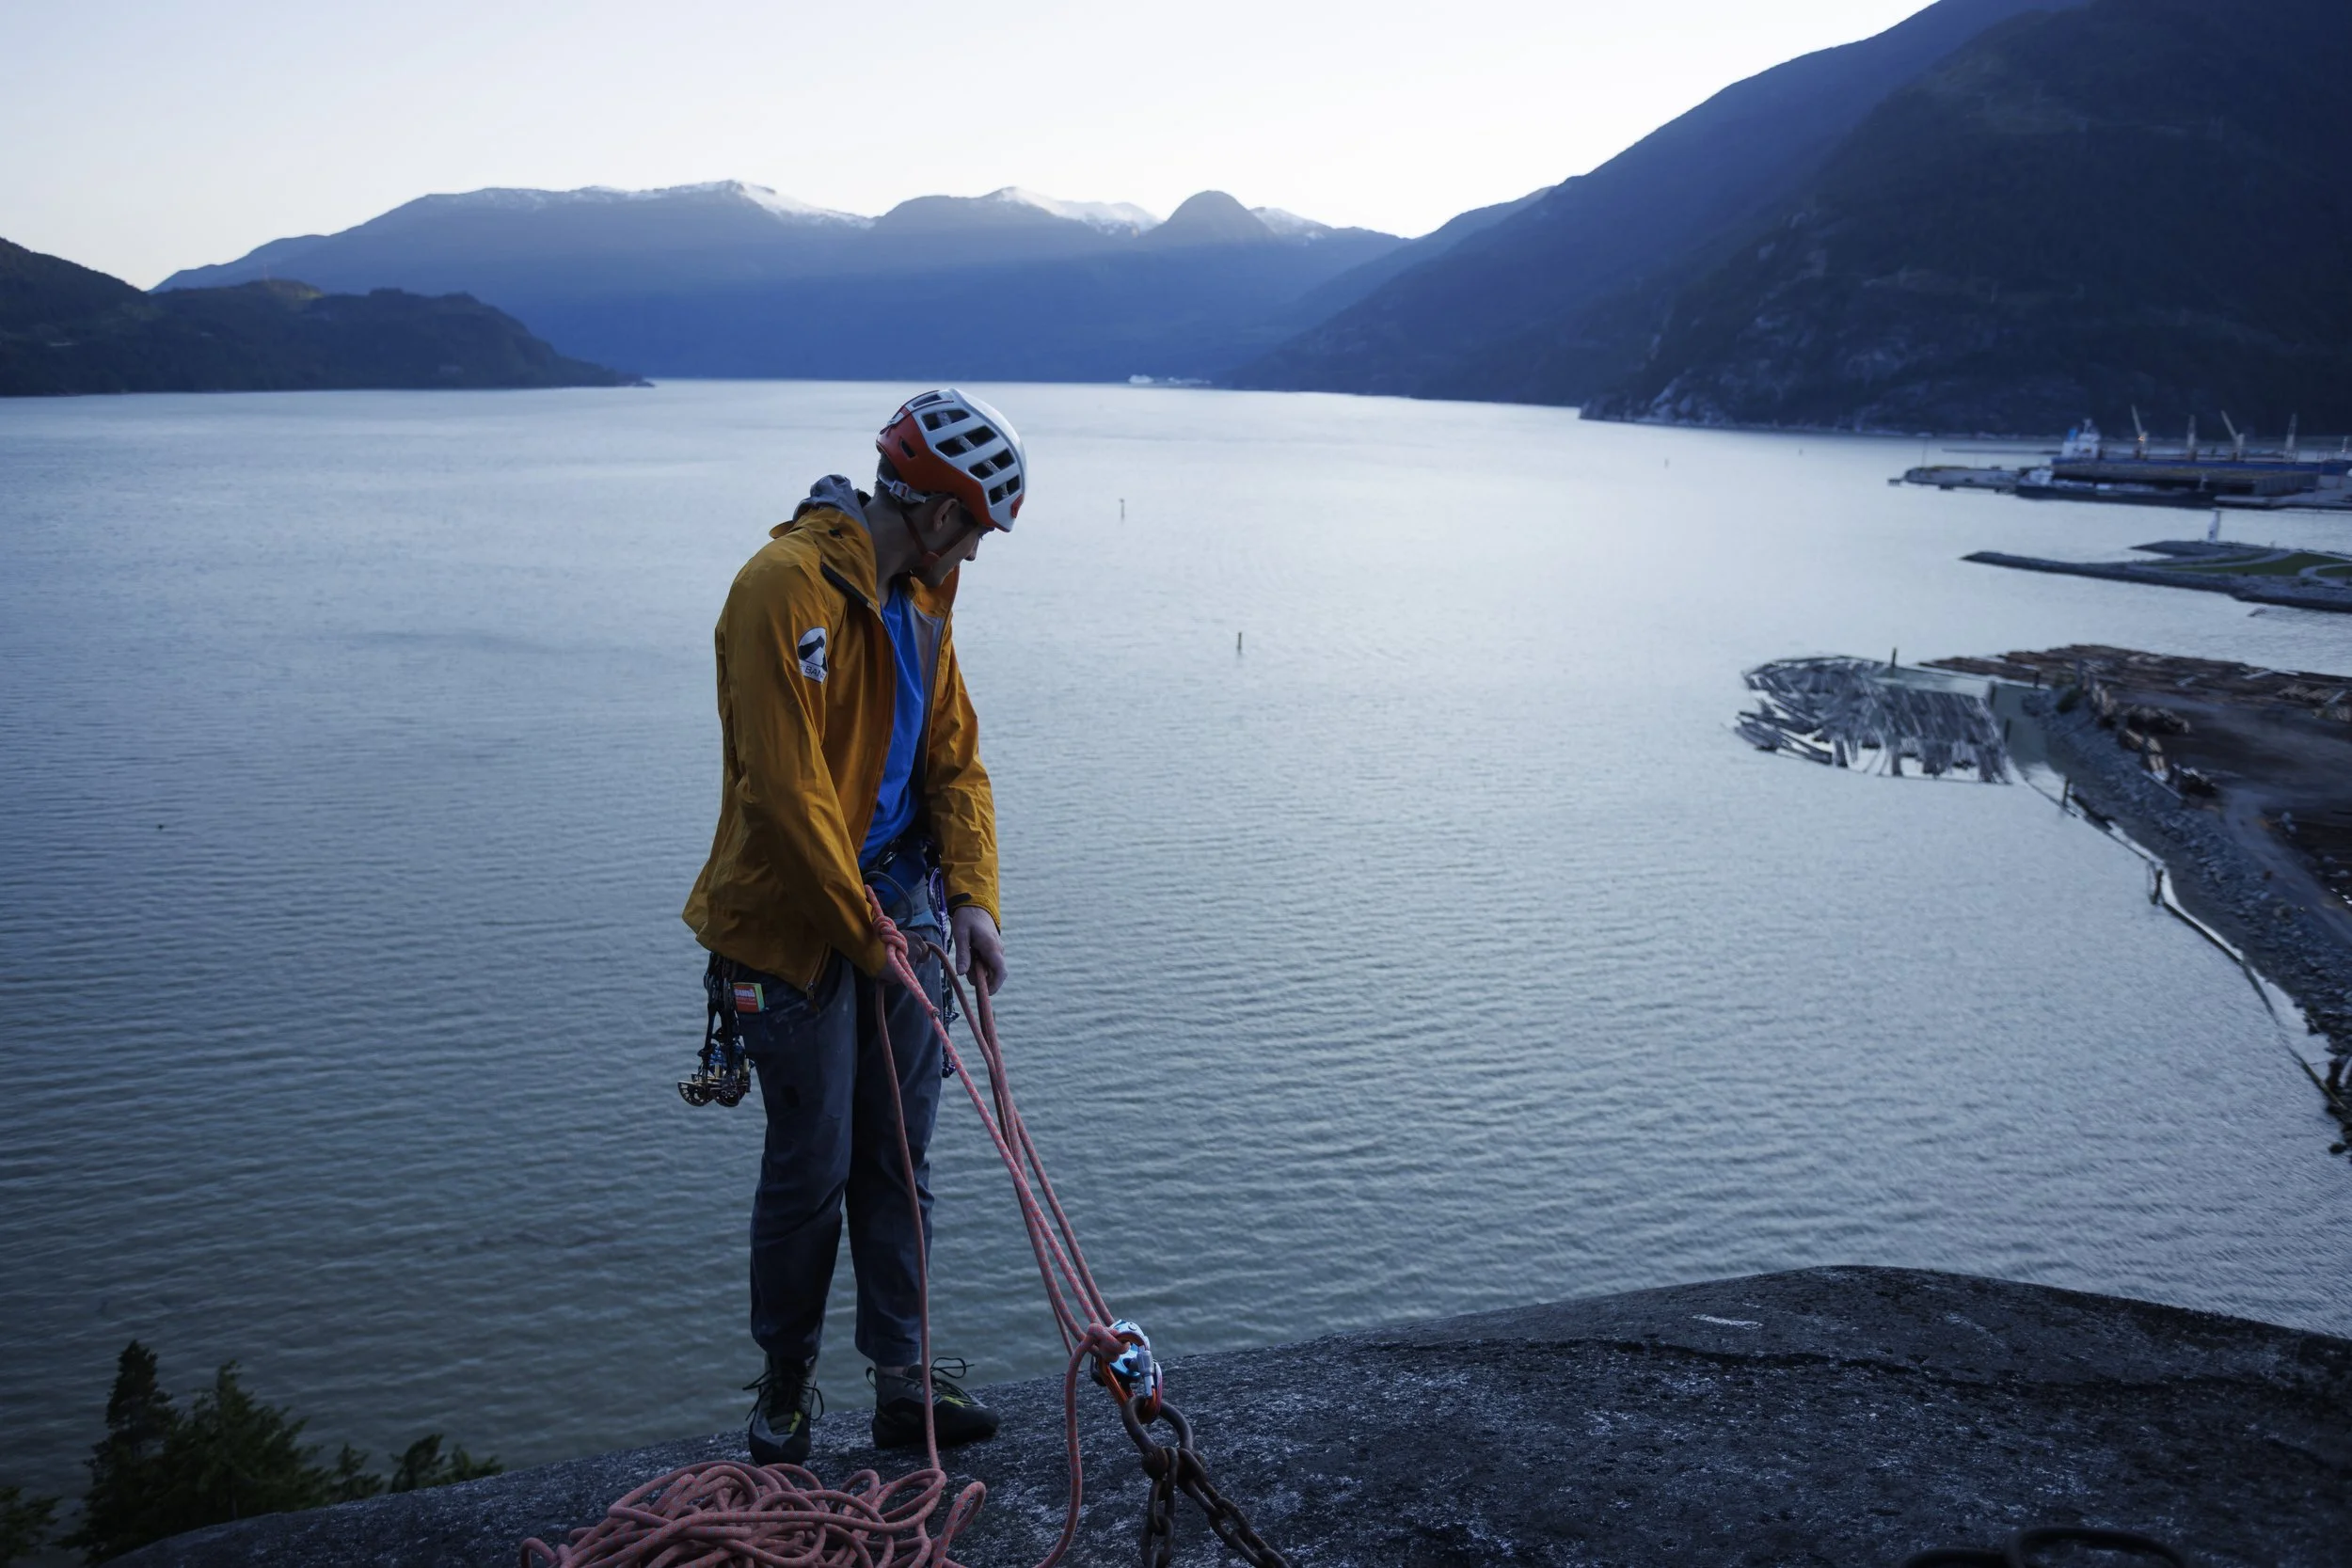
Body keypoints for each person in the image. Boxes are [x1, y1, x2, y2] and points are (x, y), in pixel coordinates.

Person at [681, 388, 1023, 1465]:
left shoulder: (924, 598)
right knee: (811, 1163)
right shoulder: (780, 590)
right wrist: (863, 929)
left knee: (898, 1157)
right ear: (932, 509)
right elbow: (784, 793)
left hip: (900, 910)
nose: (977, 548)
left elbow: (951, 758)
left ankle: (902, 1381)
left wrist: (970, 897)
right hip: (793, 924)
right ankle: (784, 1387)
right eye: (974, 524)